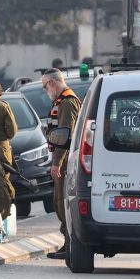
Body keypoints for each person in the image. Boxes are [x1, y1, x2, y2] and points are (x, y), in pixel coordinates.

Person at [42, 69, 81, 260]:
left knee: (61, 202)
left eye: (45, 86)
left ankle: (70, 243)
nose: (45, 90)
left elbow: (65, 136)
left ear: (52, 83)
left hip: (65, 162)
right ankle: (68, 243)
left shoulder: (67, 103)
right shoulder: (62, 102)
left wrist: (57, 163)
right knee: (59, 203)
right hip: (63, 160)